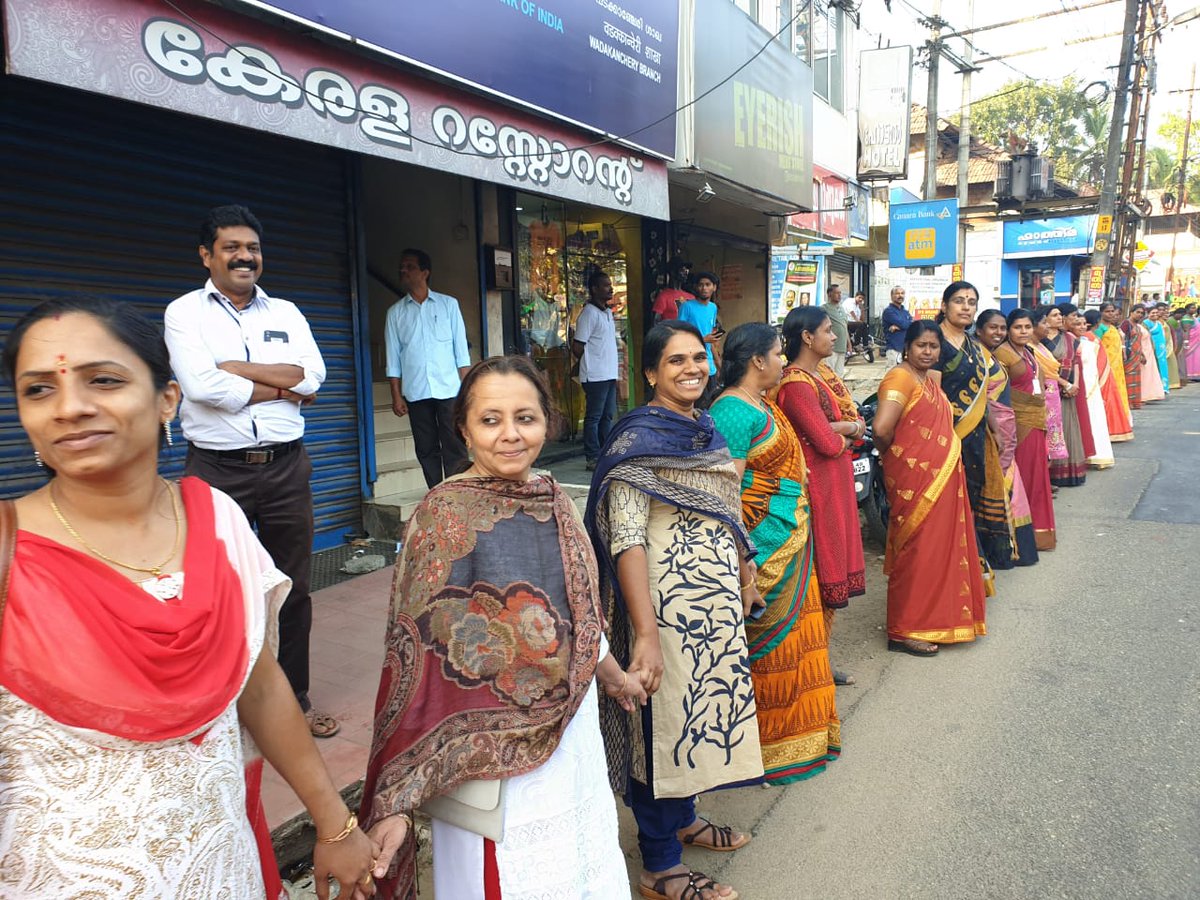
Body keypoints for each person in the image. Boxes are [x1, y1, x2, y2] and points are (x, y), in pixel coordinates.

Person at [1, 297, 377, 899]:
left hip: (223, 868)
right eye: (38, 390)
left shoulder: (218, 519)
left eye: (104, 380)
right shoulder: (8, 553)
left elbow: (258, 684)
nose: (70, 407)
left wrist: (335, 822)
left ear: (167, 401)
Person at [360, 356, 637, 900]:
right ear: (463, 429)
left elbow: (580, 616)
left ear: (547, 423)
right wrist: (397, 800)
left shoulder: (555, 498)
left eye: (525, 418)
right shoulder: (444, 517)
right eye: (491, 420)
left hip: (570, 736)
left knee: (582, 863)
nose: (510, 435)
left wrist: (612, 676)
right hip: (486, 764)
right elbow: (413, 661)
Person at [585, 320, 762, 900]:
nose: (692, 369)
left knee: (696, 720)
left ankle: (685, 820)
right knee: (658, 730)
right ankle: (660, 865)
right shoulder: (637, 438)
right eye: (676, 361)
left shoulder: (701, 429)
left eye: (698, 358)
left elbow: (726, 508)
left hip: (712, 606)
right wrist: (644, 633)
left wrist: (743, 569)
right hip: (663, 607)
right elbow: (627, 537)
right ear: (650, 373)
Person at [164, 204, 336, 738]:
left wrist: (238, 370)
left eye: (253, 248)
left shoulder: (284, 311)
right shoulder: (184, 313)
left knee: (294, 586)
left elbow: (315, 377)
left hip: (287, 468)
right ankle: (226, 702)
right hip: (217, 473)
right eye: (232, 248)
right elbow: (201, 388)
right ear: (206, 255)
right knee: (219, 589)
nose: (245, 257)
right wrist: (283, 384)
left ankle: (295, 700)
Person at [710, 323, 841, 781]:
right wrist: (745, 560)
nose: (785, 362)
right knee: (768, 645)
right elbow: (726, 492)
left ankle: (805, 737)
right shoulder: (730, 410)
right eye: (779, 354)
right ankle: (767, 749)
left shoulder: (761, 403)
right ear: (756, 362)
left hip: (791, 534)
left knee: (800, 637)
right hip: (764, 544)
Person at [872, 321, 988, 656]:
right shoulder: (900, 377)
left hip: (943, 477)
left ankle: (937, 619)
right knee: (918, 549)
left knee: (940, 550)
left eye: (933, 347)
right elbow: (881, 429)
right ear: (907, 347)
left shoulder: (930, 379)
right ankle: (903, 628)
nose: (928, 352)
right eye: (921, 346)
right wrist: (894, 456)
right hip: (914, 480)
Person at [773, 306, 866, 684]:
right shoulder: (796, 384)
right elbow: (827, 443)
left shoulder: (820, 375)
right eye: (828, 331)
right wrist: (848, 429)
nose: (834, 337)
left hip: (834, 480)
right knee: (817, 575)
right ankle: (812, 665)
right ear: (807, 338)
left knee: (827, 571)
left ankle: (820, 662)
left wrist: (842, 429)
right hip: (818, 485)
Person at [935, 282, 1013, 582]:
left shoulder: (973, 346)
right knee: (952, 504)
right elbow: (931, 396)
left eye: (971, 301)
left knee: (972, 497)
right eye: (959, 301)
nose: (966, 307)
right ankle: (955, 571)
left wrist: (993, 425)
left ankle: (971, 564)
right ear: (945, 306)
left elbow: (983, 394)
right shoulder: (934, 342)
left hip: (977, 435)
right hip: (947, 437)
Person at [385, 248, 472, 489]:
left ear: (425, 272)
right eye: (402, 267)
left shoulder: (448, 306)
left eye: (410, 266)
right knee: (426, 448)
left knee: (454, 444)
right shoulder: (395, 313)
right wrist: (396, 395)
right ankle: (437, 493)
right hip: (416, 391)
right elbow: (393, 357)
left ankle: (458, 491)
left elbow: (461, 353)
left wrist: (467, 391)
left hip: (449, 389)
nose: (403, 270)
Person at [975, 310, 1039, 567]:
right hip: (988, 431)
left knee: (1010, 487)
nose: (999, 332)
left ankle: (1011, 550)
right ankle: (997, 551)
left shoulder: (993, 356)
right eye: (993, 327)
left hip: (1004, 428)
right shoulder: (977, 356)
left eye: (1002, 328)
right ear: (979, 330)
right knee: (996, 487)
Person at [995, 309, 1057, 551]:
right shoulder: (1002, 354)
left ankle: (1038, 534)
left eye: (1027, 327)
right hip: (1017, 424)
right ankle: (1021, 538)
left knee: (1038, 476)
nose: (1023, 332)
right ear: (1008, 330)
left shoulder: (1029, 352)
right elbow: (997, 392)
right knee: (1024, 478)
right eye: (1017, 327)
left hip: (1036, 420)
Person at [572, 268, 619, 471]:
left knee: (607, 415)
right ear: (594, 289)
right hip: (595, 374)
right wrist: (588, 363)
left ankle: (605, 452)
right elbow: (577, 346)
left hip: (609, 373)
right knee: (594, 417)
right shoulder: (588, 314)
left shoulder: (607, 312)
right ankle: (592, 456)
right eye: (606, 285)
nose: (611, 289)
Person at [1039, 304, 1088, 487]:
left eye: (1060, 315)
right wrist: (1064, 383)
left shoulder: (1069, 338)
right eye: (1055, 315)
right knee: (1050, 431)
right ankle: (1049, 475)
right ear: (1045, 319)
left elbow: (1075, 361)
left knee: (1067, 429)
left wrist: (1074, 384)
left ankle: (1069, 473)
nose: (1060, 318)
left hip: (1068, 391)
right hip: (1049, 391)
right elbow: (1042, 368)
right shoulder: (1039, 341)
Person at [1083, 309, 1133, 445]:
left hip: (1111, 366)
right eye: (1108, 311)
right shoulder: (1091, 335)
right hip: (1102, 369)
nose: (1111, 314)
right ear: (1097, 321)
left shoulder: (1110, 328)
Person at [1072, 312, 1114, 469]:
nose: (1082, 327)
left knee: (1095, 420)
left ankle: (1098, 456)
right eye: (1077, 324)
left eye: (1084, 324)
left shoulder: (1092, 344)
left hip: (1092, 387)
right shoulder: (1069, 343)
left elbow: (1099, 366)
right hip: (1077, 385)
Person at [677, 271, 724, 407]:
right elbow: (679, 335)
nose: (704, 288)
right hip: (693, 364)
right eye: (701, 285)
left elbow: (711, 339)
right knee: (698, 406)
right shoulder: (687, 307)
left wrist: (718, 364)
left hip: (710, 366)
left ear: (714, 287)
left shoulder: (713, 308)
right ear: (696, 287)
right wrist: (703, 339)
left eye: (708, 285)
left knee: (712, 405)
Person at [1094, 301, 1134, 437]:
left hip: (1117, 366)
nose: (1111, 314)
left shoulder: (1113, 327)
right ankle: (1110, 425)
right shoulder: (1100, 328)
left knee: (1119, 392)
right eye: (1107, 311)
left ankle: (1122, 421)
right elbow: (1096, 346)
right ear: (1101, 313)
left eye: (1112, 311)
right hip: (1106, 366)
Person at [1131, 304, 1165, 402]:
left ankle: (1148, 395)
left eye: (1142, 313)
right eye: (1138, 312)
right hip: (1141, 353)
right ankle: (1141, 396)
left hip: (1148, 353)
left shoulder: (1140, 325)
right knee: (1143, 375)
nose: (1140, 315)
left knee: (1150, 375)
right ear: (1131, 312)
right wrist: (1141, 354)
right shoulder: (1130, 325)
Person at [650, 256, 694, 325]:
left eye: (687, 271)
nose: (685, 274)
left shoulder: (691, 297)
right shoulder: (663, 296)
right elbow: (656, 322)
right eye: (682, 270)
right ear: (673, 272)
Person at [882, 285, 913, 367]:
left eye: (902, 293)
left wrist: (899, 326)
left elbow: (912, 324)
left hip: (905, 349)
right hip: (894, 349)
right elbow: (904, 324)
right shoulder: (888, 311)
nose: (900, 296)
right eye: (897, 293)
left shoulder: (905, 311)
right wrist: (904, 325)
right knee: (893, 375)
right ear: (892, 296)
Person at [823, 284, 850, 376]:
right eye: (837, 293)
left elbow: (844, 327)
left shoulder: (842, 309)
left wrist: (849, 344)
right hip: (832, 347)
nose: (839, 295)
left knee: (839, 375)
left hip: (842, 347)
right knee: (830, 374)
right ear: (830, 294)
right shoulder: (824, 309)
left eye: (840, 293)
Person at [1145, 304, 1171, 396]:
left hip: (1161, 350)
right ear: (1148, 314)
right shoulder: (1146, 323)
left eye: (1156, 313)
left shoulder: (1159, 323)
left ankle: (1164, 387)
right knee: (1153, 367)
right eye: (1152, 313)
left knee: (1162, 367)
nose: (1155, 314)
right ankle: (1153, 388)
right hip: (1151, 348)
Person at [1185, 302, 1200, 380]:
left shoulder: (1193, 318)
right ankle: (1189, 375)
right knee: (1190, 358)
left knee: (1196, 358)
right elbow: (1186, 331)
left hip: (1197, 342)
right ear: (1187, 309)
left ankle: (1196, 374)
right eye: (1192, 308)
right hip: (1191, 342)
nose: (1194, 309)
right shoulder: (1186, 318)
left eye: (1195, 308)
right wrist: (1186, 342)